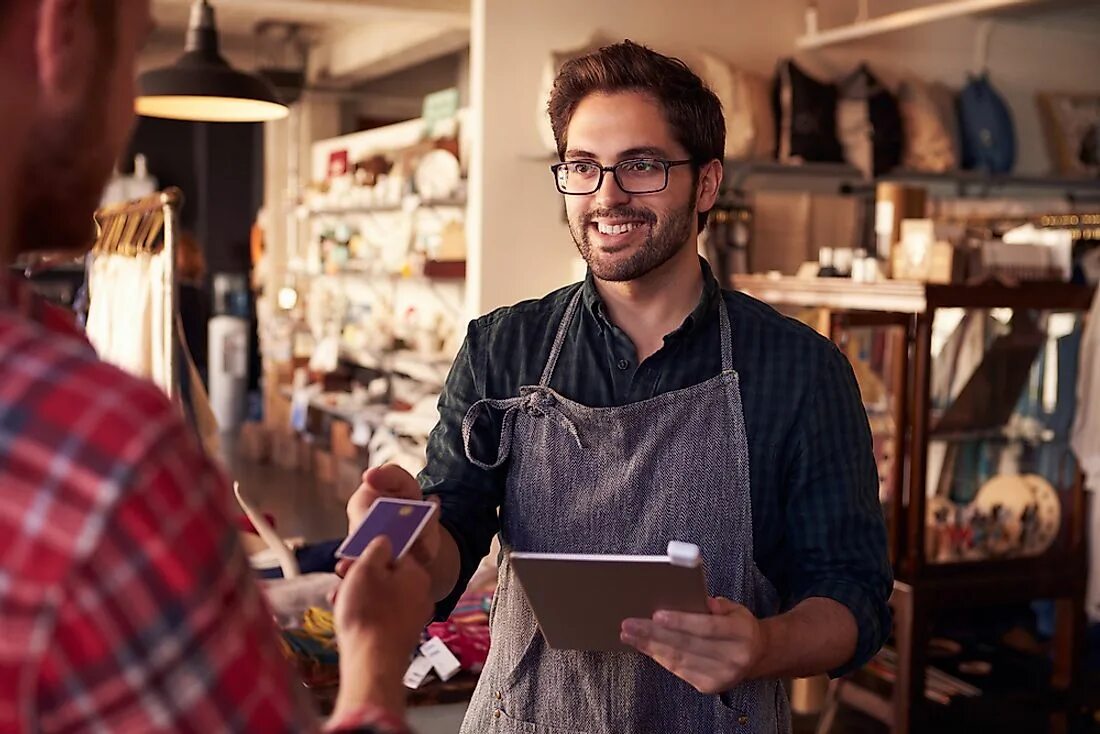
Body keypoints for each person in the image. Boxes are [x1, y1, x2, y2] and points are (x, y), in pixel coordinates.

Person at [345, 41, 892, 733]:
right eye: (582, 166)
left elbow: (855, 597)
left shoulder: (802, 371)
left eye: (642, 165)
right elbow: (454, 530)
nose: (607, 195)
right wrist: (413, 541)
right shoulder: (502, 347)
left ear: (707, 183)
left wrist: (764, 646)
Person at [0, 2, 428, 731]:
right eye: (132, 60)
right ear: (59, 36)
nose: (127, 112)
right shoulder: (100, 451)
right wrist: (373, 656)